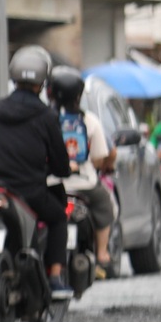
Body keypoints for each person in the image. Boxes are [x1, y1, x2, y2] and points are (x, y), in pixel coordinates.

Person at [0, 46, 75, 296]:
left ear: (14, 79)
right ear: (42, 83)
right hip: (30, 193)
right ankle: (55, 277)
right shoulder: (47, 117)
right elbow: (60, 164)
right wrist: (60, 169)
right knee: (58, 217)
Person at [49, 66, 117, 275]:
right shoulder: (90, 121)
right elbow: (99, 157)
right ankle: (103, 253)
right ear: (79, 96)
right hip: (84, 184)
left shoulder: (46, 119)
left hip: (51, 183)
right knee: (105, 204)